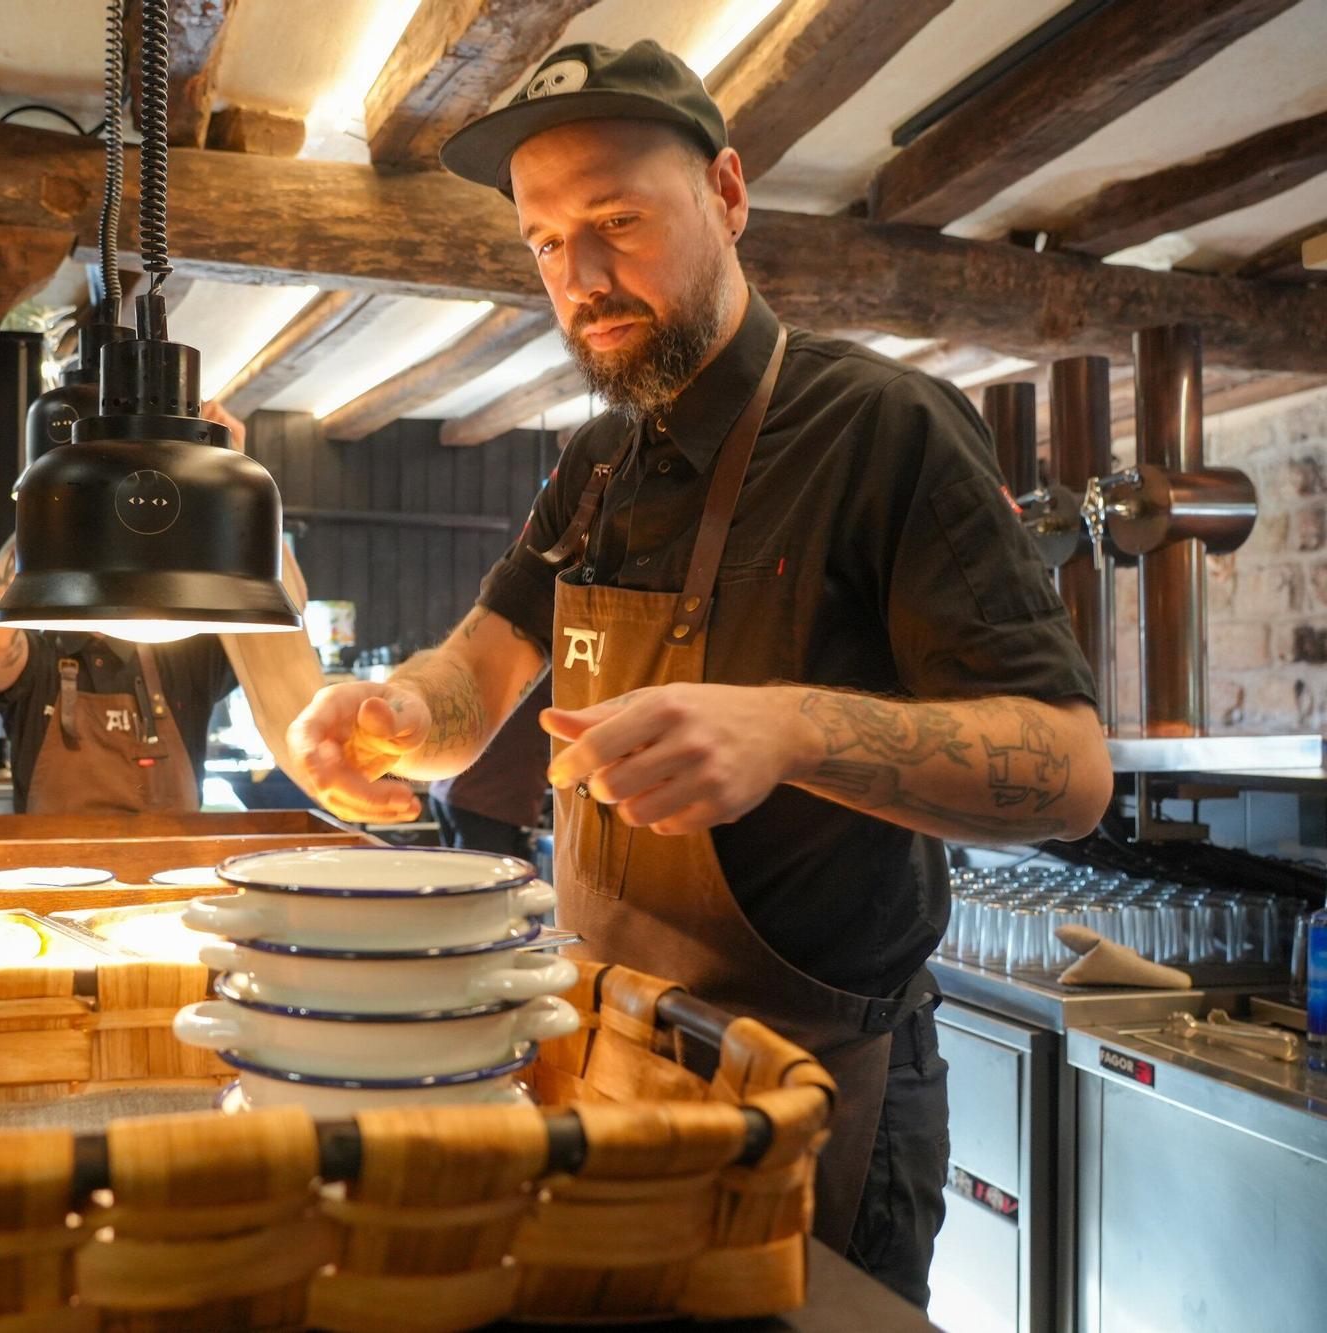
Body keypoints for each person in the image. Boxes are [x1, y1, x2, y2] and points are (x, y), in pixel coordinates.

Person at [289, 41, 1112, 1308]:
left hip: (817, 1091)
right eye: (546, 243)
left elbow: (1067, 772)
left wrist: (784, 730)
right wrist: (393, 715)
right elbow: (476, 674)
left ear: (726, 194)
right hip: (614, 1065)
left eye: (616, 221)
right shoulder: (595, 463)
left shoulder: (879, 429)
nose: (582, 277)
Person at [0, 401, 324, 816]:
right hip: (53, 873)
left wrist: (230, 480)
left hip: (173, 871)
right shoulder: (40, 658)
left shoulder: (184, 654)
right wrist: (53, 507)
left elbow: (281, 599)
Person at [429, 673, 551, 860]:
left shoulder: (517, 659)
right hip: (489, 800)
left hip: (452, 789)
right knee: (480, 884)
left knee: (460, 879)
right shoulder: (556, 666)